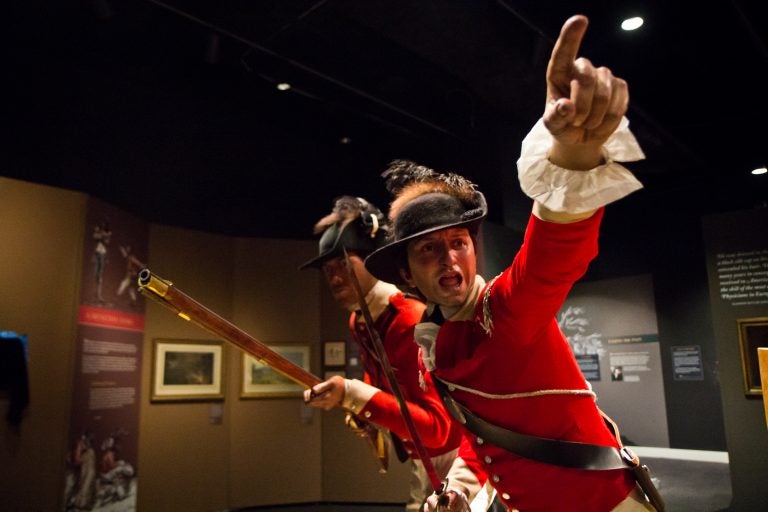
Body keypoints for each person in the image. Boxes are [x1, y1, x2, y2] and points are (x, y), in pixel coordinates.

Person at [364, 15, 657, 512]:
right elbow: (484, 440)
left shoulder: (503, 309)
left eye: (457, 241)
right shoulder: (432, 340)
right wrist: (459, 487)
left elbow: (552, 257)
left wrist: (571, 157)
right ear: (408, 275)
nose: (449, 256)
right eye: (428, 249)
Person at [300, 196, 485, 512]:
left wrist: (354, 394)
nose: (334, 277)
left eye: (344, 264)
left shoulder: (408, 320)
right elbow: (383, 379)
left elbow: (438, 430)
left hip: (458, 461)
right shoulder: (361, 319)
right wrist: (365, 409)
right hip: (421, 457)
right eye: (328, 269)